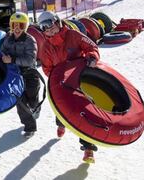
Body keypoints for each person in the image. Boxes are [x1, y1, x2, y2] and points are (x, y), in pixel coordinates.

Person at [37, 11, 100, 163]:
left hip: (80, 78)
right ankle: (61, 124)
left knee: (84, 113)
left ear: (57, 22)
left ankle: (88, 148)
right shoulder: (45, 47)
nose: (49, 30)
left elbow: (91, 47)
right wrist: (57, 78)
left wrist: (92, 57)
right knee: (62, 110)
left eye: (51, 26)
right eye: (45, 28)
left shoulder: (73, 35)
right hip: (62, 84)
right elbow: (47, 68)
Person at [0, 12, 41, 138]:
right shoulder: (8, 39)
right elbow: (2, 52)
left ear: (25, 27)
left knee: (32, 100)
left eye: (21, 26)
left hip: (30, 74)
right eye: (14, 25)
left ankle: (36, 108)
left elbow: (30, 60)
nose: (17, 29)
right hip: (15, 76)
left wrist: (12, 59)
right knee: (20, 102)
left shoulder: (30, 40)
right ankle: (29, 127)